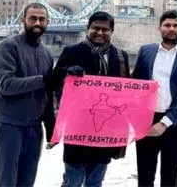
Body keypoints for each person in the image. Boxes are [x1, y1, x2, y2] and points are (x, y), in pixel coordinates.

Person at [52, 11, 130, 187]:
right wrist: (67, 72)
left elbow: (126, 89)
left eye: (105, 29)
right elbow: (53, 79)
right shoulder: (71, 52)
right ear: (88, 29)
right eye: (96, 28)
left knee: (96, 181)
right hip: (77, 128)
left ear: (112, 31)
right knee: (72, 180)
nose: (100, 33)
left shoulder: (121, 56)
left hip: (104, 129)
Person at [0, 2, 62, 187]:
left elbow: (46, 92)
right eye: (32, 18)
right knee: (6, 182)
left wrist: (50, 123)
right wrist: (45, 79)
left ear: (48, 21)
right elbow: (6, 85)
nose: (37, 22)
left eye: (41, 19)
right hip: (9, 126)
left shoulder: (47, 54)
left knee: (27, 182)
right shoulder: (7, 47)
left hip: (34, 128)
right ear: (23, 20)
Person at [131, 10, 177, 187]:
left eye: (176, 25)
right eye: (167, 25)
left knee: (170, 177)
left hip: (174, 123)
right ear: (159, 28)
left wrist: (165, 122)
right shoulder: (145, 51)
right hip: (146, 121)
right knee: (145, 176)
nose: (171, 29)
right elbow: (135, 83)